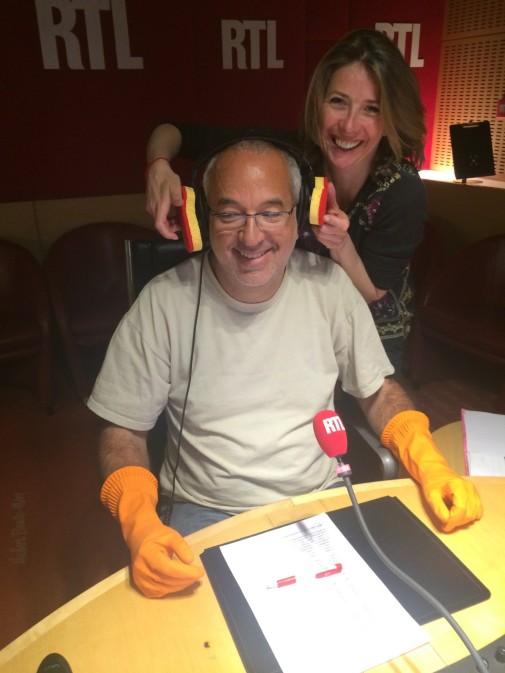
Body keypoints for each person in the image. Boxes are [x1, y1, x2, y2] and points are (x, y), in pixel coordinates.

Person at [88, 139, 481, 599]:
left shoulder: (329, 287)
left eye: (271, 212)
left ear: (301, 216)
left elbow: (378, 391)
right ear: (201, 218)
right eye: (230, 214)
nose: (251, 237)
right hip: (207, 511)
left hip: (319, 500)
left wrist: (430, 464)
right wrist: (139, 520)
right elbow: (124, 430)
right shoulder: (162, 303)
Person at [144, 29, 427, 372]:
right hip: (303, 320)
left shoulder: (401, 191)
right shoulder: (289, 156)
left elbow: (373, 294)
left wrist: (341, 246)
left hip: (371, 332)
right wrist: (158, 166)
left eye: (371, 109)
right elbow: (170, 131)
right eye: (338, 102)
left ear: (391, 118)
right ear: (317, 103)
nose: (349, 126)